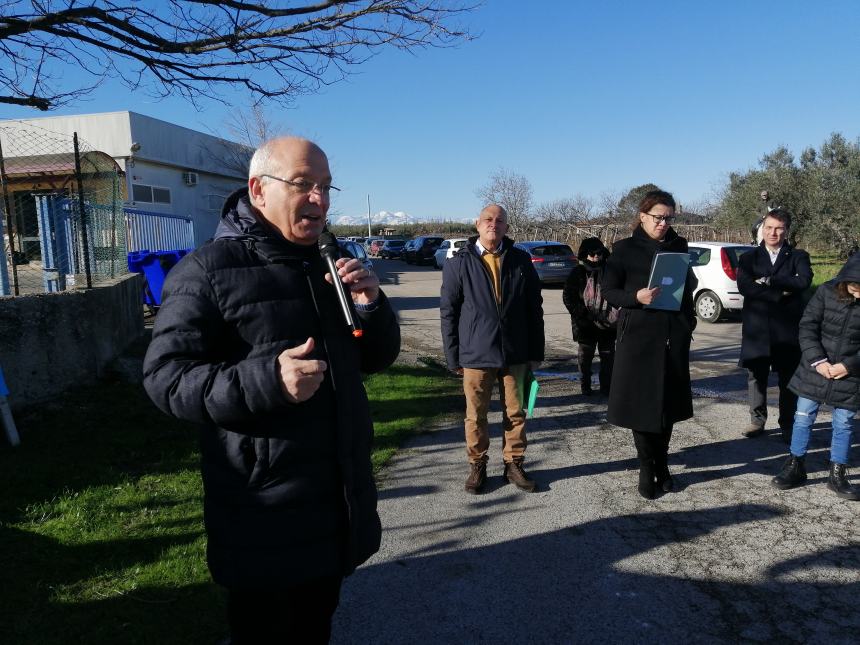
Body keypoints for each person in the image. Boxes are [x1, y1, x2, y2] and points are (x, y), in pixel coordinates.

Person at [143, 137, 400, 643]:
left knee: (316, 626)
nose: (320, 200)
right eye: (304, 184)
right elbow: (164, 378)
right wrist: (268, 381)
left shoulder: (329, 262)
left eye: (326, 187)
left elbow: (373, 359)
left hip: (335, 507)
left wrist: (370, 306)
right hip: (264, 518)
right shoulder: (208, 272)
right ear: (258, 190)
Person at [440, 204, 545, 494]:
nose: (493, 224)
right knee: (476, 416)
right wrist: (453, 356)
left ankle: (514, 464)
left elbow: (534, 308)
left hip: (516, 353)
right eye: (488, 219)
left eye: (500, 221)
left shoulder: (521, 260)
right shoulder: (458, 263)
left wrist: (536, 351)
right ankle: (478, 465)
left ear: (506, 228)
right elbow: (448, 312)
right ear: (477, 224)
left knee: (516, 413)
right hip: (476, 353)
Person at [601, 190, 696, 500]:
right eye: (658, 217)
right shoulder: (623, 250)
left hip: (672, 337)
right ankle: (646, 466)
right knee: (642, 406)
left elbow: (689, 284)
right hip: (638, 339)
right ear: (642, 216)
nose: (664, 223)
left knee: (667, 406)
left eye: (669, 218)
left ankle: (664, 464)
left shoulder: (679, 246)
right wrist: (635, 298)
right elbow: (609, 292)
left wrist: (688, 319)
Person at [771, 253, 860, 500]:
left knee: (843, 423)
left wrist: (849, 366)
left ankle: (837, 474)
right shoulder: (825, 293)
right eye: (855, 287)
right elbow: (808, 326)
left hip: (851, 374)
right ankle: (795, 466)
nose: (858, 292)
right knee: (802, 417)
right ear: (845, 281)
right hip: (816, 367)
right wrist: (818, 361)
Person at [737, 208, 812, 443]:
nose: (773, 233)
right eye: (768, 227)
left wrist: (769, 281)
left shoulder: (798, 256)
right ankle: (756, 421)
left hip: (786, 329)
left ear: (786, 230)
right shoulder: (748, 258)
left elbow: (803, 282)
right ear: (762, 229)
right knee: (755, 377)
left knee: (787, 379)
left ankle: (787, 425)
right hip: (757, 329)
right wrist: (780, 294)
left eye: (779, 228)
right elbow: (745, 287)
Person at [562, 237, 616, 396]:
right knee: (585, 359)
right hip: (585, 324)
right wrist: (582, 315)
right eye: (592, 254)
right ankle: (585, 386)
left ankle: (606, 387)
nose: (596, 257)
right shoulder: (577, 273)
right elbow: (568, 297)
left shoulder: (610, 270)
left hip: (608, 322)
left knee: (608, 358)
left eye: (599, 253)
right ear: (585, 254)